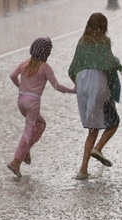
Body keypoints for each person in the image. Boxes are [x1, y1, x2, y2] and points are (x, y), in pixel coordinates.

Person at [8, 37, 76, 178]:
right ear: (47, 53)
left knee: (41, 124)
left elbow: (12, 75)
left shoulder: (25, 63)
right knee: (29, 130)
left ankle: (25, 151)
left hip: (21, 100)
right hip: (33, 103)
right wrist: (73, 90)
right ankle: (16, 161)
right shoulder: (45, 67)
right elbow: (56, 86)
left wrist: (20, 86)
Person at [68, 12, 122, 180]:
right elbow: (109, 63)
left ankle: (83, 169)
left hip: (82, 83)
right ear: (103, 27)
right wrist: (118, 64)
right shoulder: (104, 42)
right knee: (113, 122)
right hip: (98, 84)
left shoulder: (82, 42)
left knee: (93, 128)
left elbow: (72, 69)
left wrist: (79, 83)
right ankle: (98, 148)